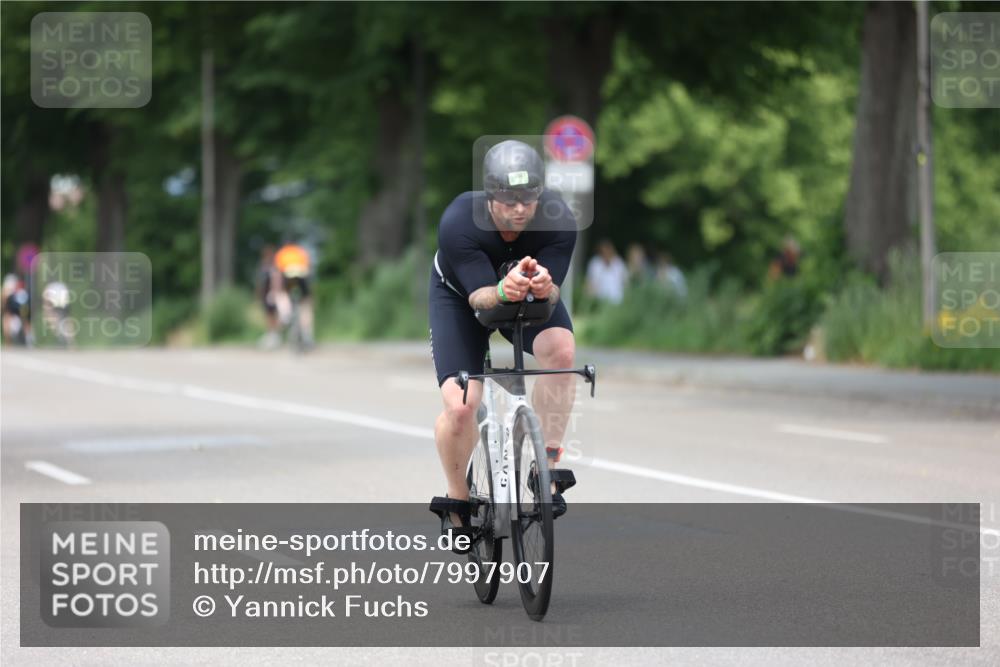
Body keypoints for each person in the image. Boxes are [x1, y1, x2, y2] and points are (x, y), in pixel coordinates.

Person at [428, 140, 578, 549]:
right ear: (489, 196)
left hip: (524, 297)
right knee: (461, 407)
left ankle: (545, 468)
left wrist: (546, 290)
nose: (519, 209)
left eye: (528, 198)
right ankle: (458, 500)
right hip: (462, 298)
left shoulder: (558, 218)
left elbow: (552, 295)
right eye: (508, 199)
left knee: (561, 351)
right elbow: (480, 301)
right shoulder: (460, 219)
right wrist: (503, 289)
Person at [273, 241, 315, 348]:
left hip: (287, 278)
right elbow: (308, 269)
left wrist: (275, 290)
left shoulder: (282, 253)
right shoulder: (301, 252)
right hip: (301, 278)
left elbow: (277, 273)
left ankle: (286, 314)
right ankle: (307, 334)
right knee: (305, 305)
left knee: (281, 294)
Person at [255, 245, 282, 349]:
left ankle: (275, 335)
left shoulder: (273, 267)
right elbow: (260, 283)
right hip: (265, 294)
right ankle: (271, 334)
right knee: (268, 315)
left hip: (271, 294)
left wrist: (275, 292)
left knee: (273, 314)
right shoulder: (263, 267)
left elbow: (276, 280)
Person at [585, 239, 628, 304]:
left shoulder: (618, 263)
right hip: (599, 300)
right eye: (603, 252)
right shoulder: (595, 263)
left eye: (608, 251)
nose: (606, 254)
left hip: (617, 301)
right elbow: (590, 283)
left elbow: (625, 281)